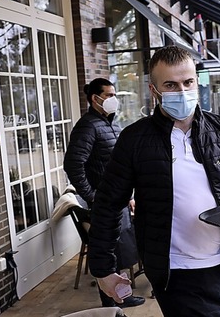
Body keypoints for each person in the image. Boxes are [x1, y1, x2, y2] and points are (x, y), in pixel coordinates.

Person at [88, 46, 220, 317]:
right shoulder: (134, 139)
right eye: (171, 85)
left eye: (188, 82)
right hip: (174, 267)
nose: (182, 91)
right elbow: (107, 204)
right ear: (154, 91)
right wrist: (103, 269)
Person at [64, 78, 145, 309]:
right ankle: (111, 302)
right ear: (95, 99)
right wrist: (92, 196)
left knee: (120, 249)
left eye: (114, 94)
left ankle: (120, 294)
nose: (113, 100)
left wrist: (128, 196)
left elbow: (118, 165)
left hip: (118, 200)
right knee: (109, 251)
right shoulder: (88, 125)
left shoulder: (110, 124)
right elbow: (73, 164)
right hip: (103, 203)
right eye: (109, 95)